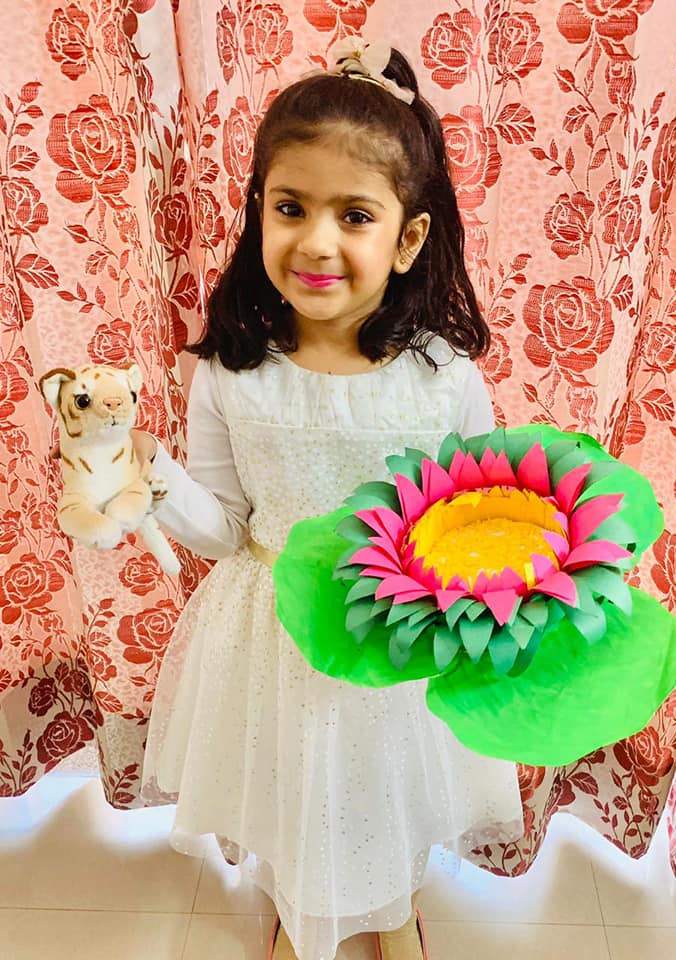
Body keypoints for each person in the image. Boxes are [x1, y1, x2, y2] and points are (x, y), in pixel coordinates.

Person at [136, 38, 523, 960]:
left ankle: (391, 911)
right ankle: (300, 903)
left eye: (353, 215)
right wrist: (150, 478)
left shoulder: (444, 380)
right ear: (258, 211)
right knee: (289, 783)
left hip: (395, 634)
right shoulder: (229, 375)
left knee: (383, 784)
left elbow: (482, 516)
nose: (315, 242)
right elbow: (225, 529)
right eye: (290, 207)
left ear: (407, 238)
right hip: (267, 631)